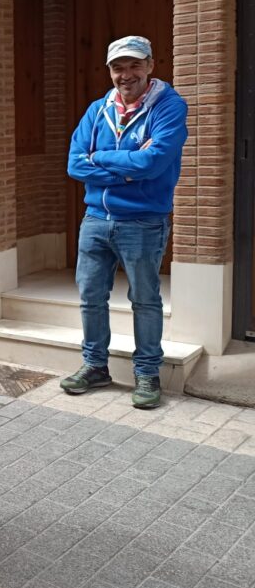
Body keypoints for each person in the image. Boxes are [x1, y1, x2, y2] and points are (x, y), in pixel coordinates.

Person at [62, 36, 188, 410]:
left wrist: (100, 159)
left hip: (143, 221)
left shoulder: (169, 106)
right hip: (95, 219)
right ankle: (95, 366)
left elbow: (154, 162)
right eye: (118, 67)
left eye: (134, 65)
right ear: (110, 71)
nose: (126, 74)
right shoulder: (97, 110)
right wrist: (129, 168)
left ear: (150, 65)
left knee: (145, 300)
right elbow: (74, 164)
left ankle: (147, 373)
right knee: (90, 297)